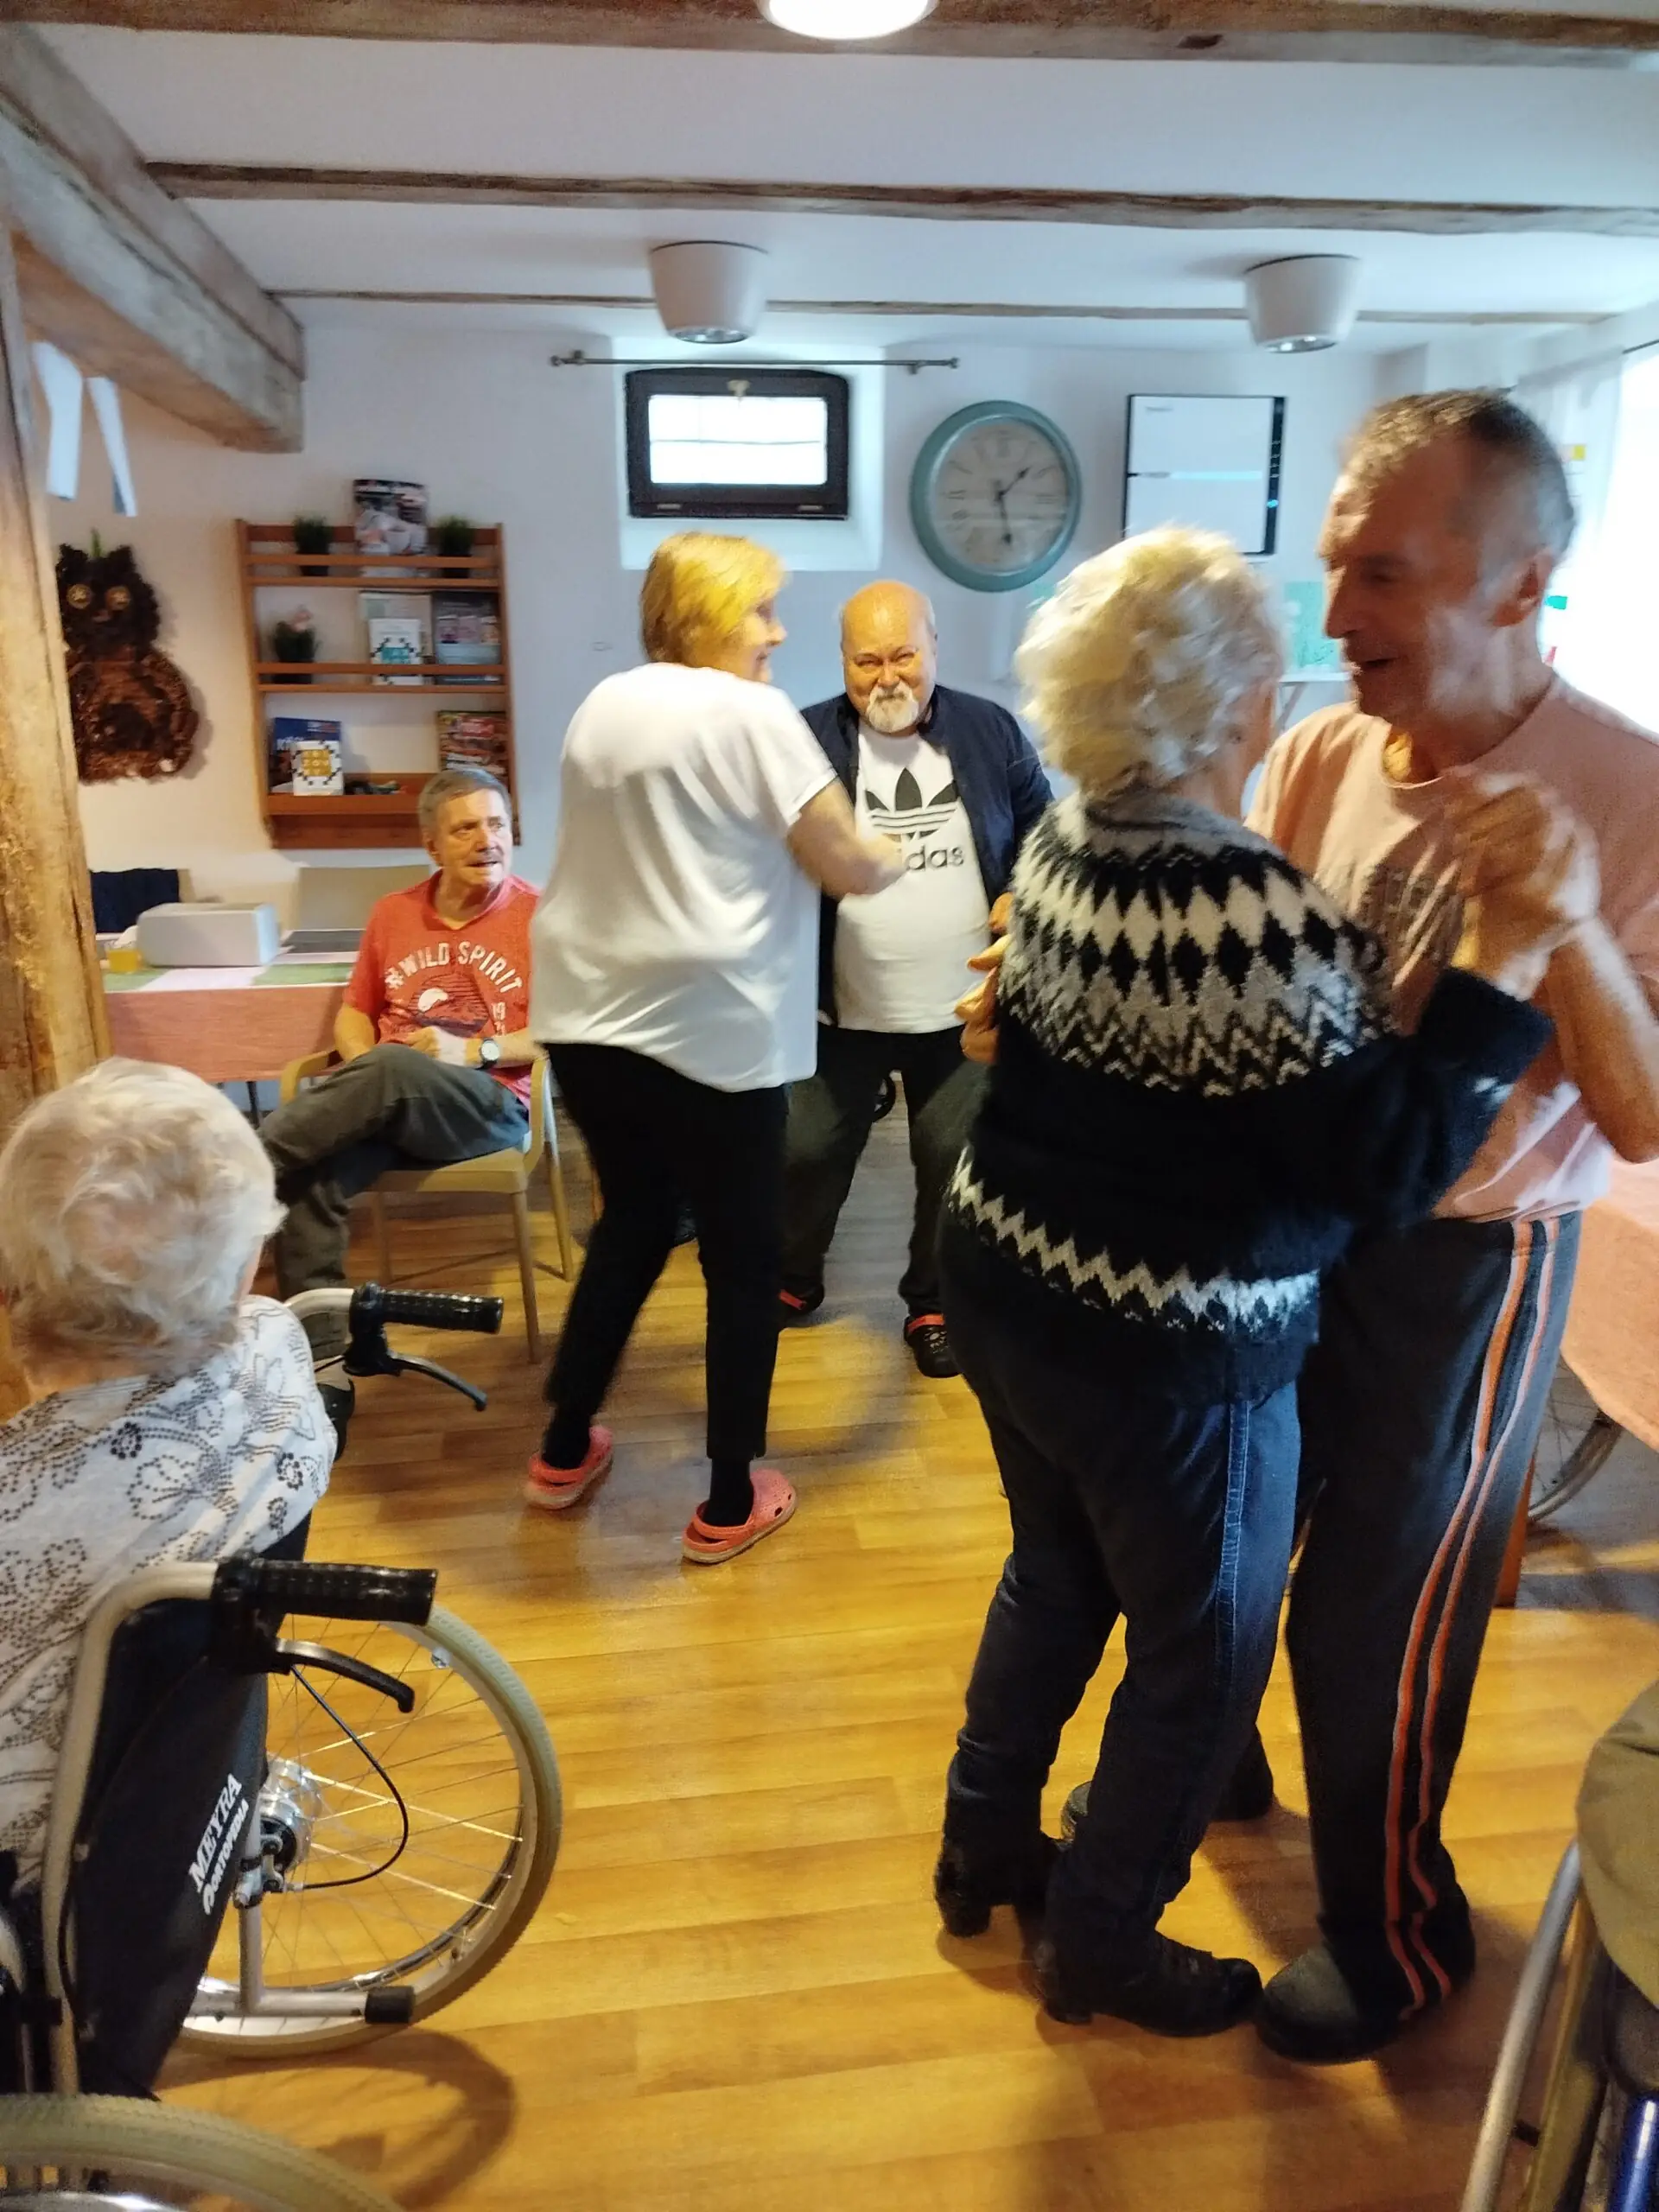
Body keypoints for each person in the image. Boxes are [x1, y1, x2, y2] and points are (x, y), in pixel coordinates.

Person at [935, 527, 1567, 2038]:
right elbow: (1390, 1165)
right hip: (1167, 1349)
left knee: (1055, 1577)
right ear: (1235, 705)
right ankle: (1102, 1940)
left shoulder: (1066, 840)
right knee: (1203, 1657)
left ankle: (984, 1846)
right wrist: (1509, 957)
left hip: (1011, 1287)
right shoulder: (1245, 908)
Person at [1238, 391, 1659, 2063]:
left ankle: (1399, 1941)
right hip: (1293, 1226)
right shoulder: (1322, 752)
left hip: (1473, 1259)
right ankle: (1215, 1761)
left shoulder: (1630, 789)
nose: (1336, 612)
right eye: (1337, 568)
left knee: (1379, 1609)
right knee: (1224, 1527)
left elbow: (1643, 1116)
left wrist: (1563, 928)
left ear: (1518, 584)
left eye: (1383, 575)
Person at [527, 533, 902, 1563]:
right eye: (761, 610)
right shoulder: (754, 714)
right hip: (709, 1030)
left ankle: (562, 1447)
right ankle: (731, 1499)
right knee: (743, 1259)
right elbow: (845, 862)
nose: (776, 632)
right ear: (705, 613)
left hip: (587, 1022)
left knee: (635, 1223)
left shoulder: (604, 705)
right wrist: (898, 854)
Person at [0, 1059, 334, 1893]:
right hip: (172, 1813)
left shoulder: (17, 1512)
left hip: (40, 1880)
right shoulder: (276, 1353)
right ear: (246, 1266)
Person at [780, 582, 1051, 1377]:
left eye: (903, 655)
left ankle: (934, 1303)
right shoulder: (804, 739)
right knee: (803, 1150)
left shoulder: (991, 729)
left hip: (963, 1009)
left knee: (954, 1155)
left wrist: (1023, 893)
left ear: (936, 647)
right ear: (842, 661)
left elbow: (1044, 830)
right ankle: (792, 1277)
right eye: (867, 661)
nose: (887, 676)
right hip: (839, 1011)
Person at [258, 767, 537, 1357]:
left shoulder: (542, 917)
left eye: (497, 824)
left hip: (487, 1104)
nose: (487, 840)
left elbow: (567, 1035)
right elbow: (355, 1012)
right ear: (432, 846)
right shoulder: (393, 913)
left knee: (392, 1069)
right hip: (391, 1101)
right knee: (311, 1175)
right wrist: (365, 1068)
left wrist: (477, 1050)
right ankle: (324, 1359)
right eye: (466, 829)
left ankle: (228, 1171)